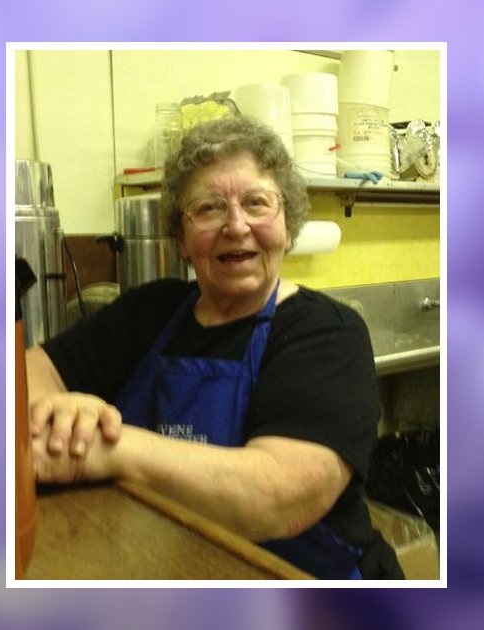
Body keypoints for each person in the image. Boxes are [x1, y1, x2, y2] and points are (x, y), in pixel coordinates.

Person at [26, 116, 404, 580]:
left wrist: (113, 449)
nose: (236, 225)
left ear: (288, 225)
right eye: (209, 208)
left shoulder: (327, 334)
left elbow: (279, 497)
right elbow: (24, 377)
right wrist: (58, 412)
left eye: (257, 203)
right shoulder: (149, 312)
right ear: (182, 239)